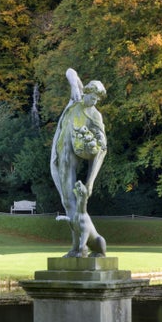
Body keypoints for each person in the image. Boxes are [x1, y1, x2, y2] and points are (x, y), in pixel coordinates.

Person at [50, 68, 107, 257]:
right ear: (87, 92)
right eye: (93, 97)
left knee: (72, 204)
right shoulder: (76, 100)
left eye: (97, 99)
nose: (94, 101)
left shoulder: (95, 115)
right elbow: (69, 71)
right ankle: (79, 247)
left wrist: (90, 182)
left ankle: (82, 247)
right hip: (59, 159)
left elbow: (101, 149)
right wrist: (74, 84)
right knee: (67, 203)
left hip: (72, 159)